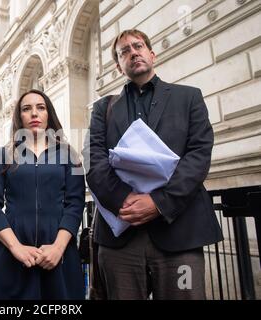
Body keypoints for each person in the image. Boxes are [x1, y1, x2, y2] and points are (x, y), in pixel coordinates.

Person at [83, 29, 223, 300]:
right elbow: (92, 158)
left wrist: (159, 202)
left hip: (180, 231)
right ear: (118, 65)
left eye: (138, 46)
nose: (133, 52)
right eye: (124, 51)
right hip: (120, 239)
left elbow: (198, 154)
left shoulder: (189, 97)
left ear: (151, 54)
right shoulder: (103, 108)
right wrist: (123, 200)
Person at [0, 89, 85, 299]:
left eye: (41, 107)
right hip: (12, 253)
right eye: (26, 109)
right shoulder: (2, 156)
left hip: (59, 253)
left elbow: (75, 203)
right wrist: (16, 247)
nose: (34, 114)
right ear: (19, 117)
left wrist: (58, 247)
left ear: (49, 114)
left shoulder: (69, 156)